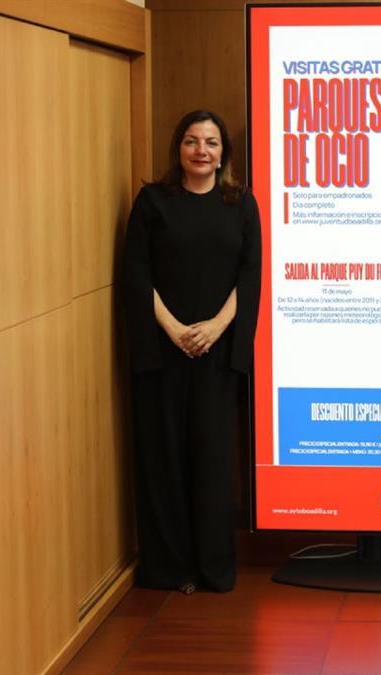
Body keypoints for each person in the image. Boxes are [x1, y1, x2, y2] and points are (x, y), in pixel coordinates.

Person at [120, 110, 261, 594]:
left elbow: (250, 274)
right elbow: (137, 273)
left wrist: (216, 328)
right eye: (192, 141)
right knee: (164, 458)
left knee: (212, 461)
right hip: (162, 351)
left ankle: (212, 569)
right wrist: (175, 329)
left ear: (223, 154)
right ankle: (169, 569)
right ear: (178, 149)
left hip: (217, 354)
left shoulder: (240, 203)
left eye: (212, 142)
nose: (202, 150)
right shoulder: (153, 202)